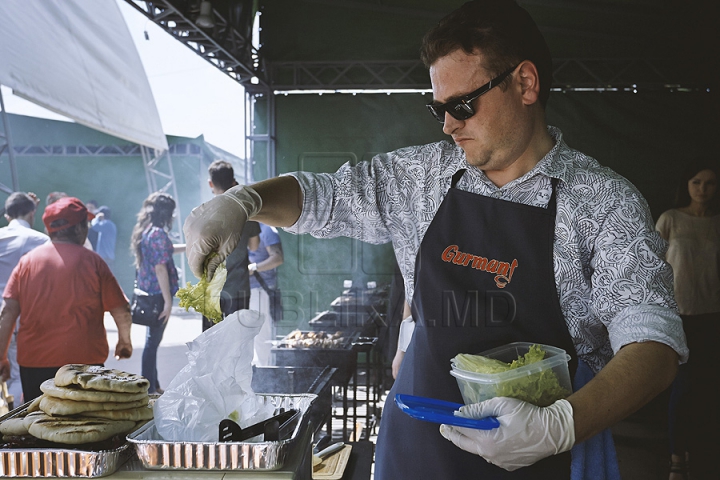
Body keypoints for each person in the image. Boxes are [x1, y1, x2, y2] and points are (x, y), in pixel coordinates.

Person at [182, 1, 687, 478]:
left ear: (525, 83)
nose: (449, 125)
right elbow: (325, 197)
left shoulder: (604, 202)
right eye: (439, 108)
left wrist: (562, 425)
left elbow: (653, 342)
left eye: (463, 105)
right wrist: (243, 201)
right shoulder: (422, 177)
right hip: (417, 446)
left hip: (544, 454)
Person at [0, 197, 132, 401]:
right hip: (86, 363)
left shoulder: (27, 263)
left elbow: (8, 311)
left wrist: (1, 357)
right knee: (88, 425)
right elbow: (121, 309)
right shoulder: (94, 261)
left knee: (40, 423)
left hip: (35, 363)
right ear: (80, 229)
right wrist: (124, 342)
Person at [656, 161, 720, 480]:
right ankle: (676, 457)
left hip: (712, 316)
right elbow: (651, 266)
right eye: (697, 182)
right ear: (688, 184)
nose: (703, 189)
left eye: (709, 183)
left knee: (707, 389)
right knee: (682, 386)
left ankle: (701, 454)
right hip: (677, 315)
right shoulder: (670, 219)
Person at [130, 192, 185, 394]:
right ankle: (148, 388)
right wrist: (168, 302)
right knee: (152, 344)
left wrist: (189, 247)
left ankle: (154, 383)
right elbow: (160, 268)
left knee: (151, 341)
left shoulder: (148, 231)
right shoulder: (159, 234)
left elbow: (166, 251)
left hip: (148, 294)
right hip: (157, 296)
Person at [0, 192, 50, 405]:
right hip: (20, 319)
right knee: (18, 376)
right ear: (32, 213)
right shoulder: (41, 241)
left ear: (6, 215)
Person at [203, 160, 261, 332]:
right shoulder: (245, 213)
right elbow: (255, 246)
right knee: (237, 340)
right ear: (233, 181)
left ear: (211, 183)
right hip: (238, 288)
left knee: (211, 342)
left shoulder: (203, 213)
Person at [248, 222, 284, 366]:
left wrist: (253, 268)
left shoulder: (267, 230)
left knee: (263, 336)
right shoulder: (242, 230)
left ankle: (268, 373)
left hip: (262, 290)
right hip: (247, 290)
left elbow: (278, 258)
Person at [90, 206, 117, 270]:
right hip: (106, 258)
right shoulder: (109, 225)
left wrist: (96, 218)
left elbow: (95, 226)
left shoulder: (107, 224)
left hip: (106, 258)